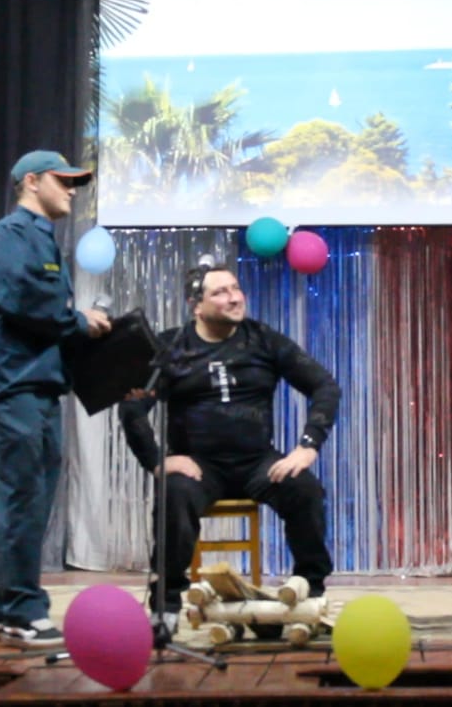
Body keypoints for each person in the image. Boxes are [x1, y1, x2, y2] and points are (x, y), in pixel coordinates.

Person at [118, 262, 341, 632]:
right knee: (174, 493)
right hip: (200, 468)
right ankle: (166, 606)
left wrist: (307, 446)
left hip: (257, 463)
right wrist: (156, 461)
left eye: (236, 288)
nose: (235, 297)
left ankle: (310, 589)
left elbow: (324, 386)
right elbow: (131, 406)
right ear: (196, 305)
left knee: (305, 490)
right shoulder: (170, 347)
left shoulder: (264, 339)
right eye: (220, 292)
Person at [0, 150, 111, 649]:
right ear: (31, 181)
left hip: (36, 386)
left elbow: (42, 314)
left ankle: (0, 606)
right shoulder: (12, 234)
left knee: (27, 501)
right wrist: (79, 321)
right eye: (63, 180)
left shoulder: (39, 237)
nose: (71, 190)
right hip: (12, 386)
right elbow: (26, 303)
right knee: (21, 500)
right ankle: (20, 610)